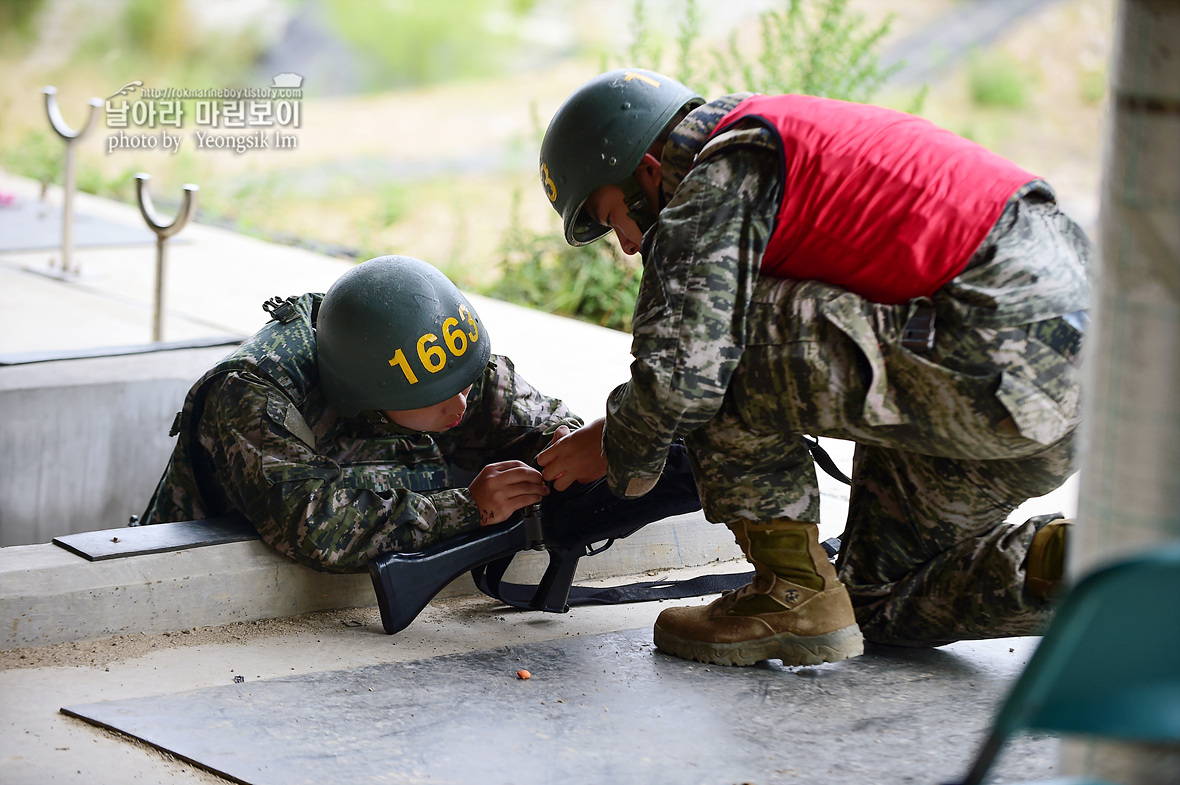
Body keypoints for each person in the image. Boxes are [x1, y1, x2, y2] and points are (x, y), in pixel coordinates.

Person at [534, 68, 1091, 667]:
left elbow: (686, 374)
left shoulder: (718, 173)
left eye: (613, 215)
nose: (627, 244)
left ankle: (788, 592)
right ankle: (1101, 563)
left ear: (648, 170)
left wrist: (620, 446)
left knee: (716, 344)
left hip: (991, 353)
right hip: (1075, 383)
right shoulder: (780, 135)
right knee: (873, 601)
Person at [141, 255, 699, 586]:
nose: (460, 406)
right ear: (367, 392)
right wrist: (469, 507)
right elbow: (313, 525)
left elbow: (532, 418)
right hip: (178, 583)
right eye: (438, 400)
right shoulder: (254, 395)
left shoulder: (427, 354)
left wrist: (567, 448)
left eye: (464, 383)